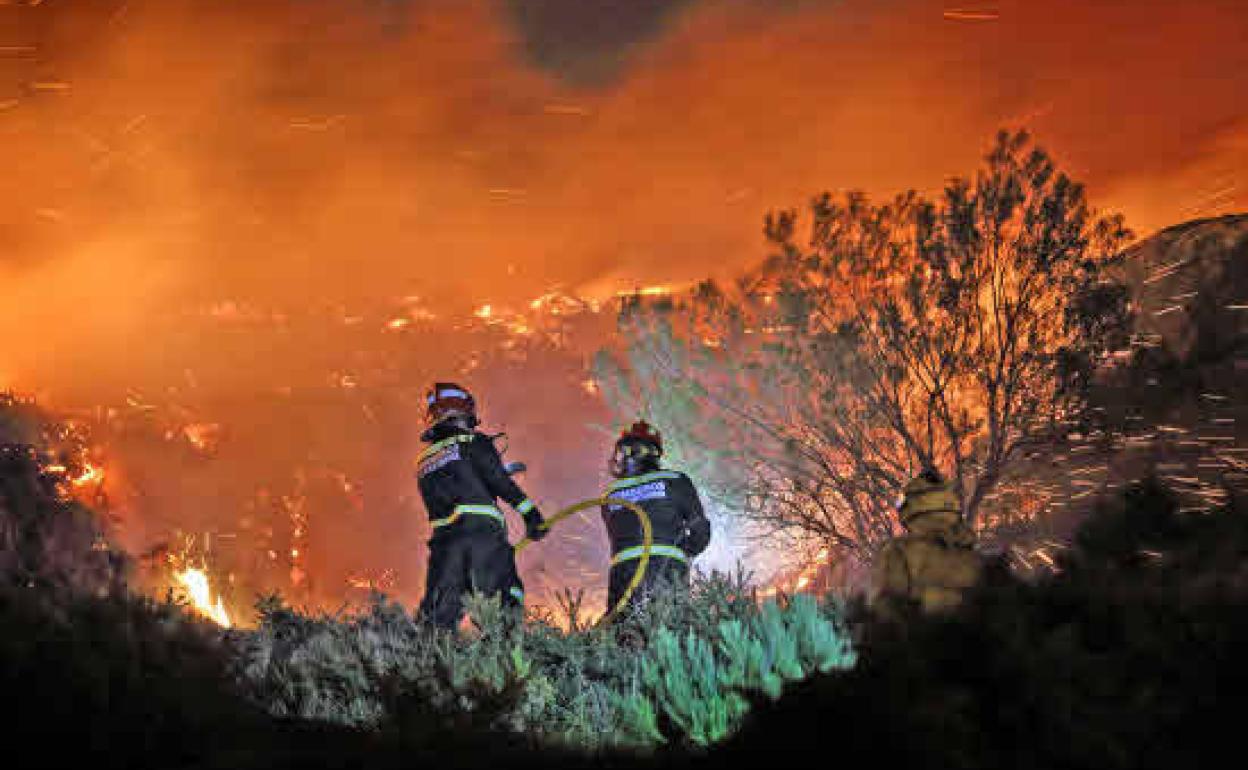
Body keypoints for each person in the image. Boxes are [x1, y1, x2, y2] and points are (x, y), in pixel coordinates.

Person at [415, 382, 546, 629]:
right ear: (463, 413)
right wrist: (532, 516)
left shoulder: (424, 461)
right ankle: (506, 660)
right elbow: (498, 482)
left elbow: (458, 483)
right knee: (503, 599)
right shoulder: (474, 441)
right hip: (482, 538)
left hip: (444, 546)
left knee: (439, 615)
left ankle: (429, 661)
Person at [601, 420, 711, 613]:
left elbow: (617, 538)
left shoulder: (610, 494)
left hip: (623, 579)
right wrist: (685, 550)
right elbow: (699, 529)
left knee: (624, 635)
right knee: (668, 634)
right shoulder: (675, 481)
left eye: (624, 451)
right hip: (666, 573)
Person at [870, 468, 983, 621]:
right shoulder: (970, 549)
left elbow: (888, 610)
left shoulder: (899, 551)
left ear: (910, 506)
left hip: (918, 640)